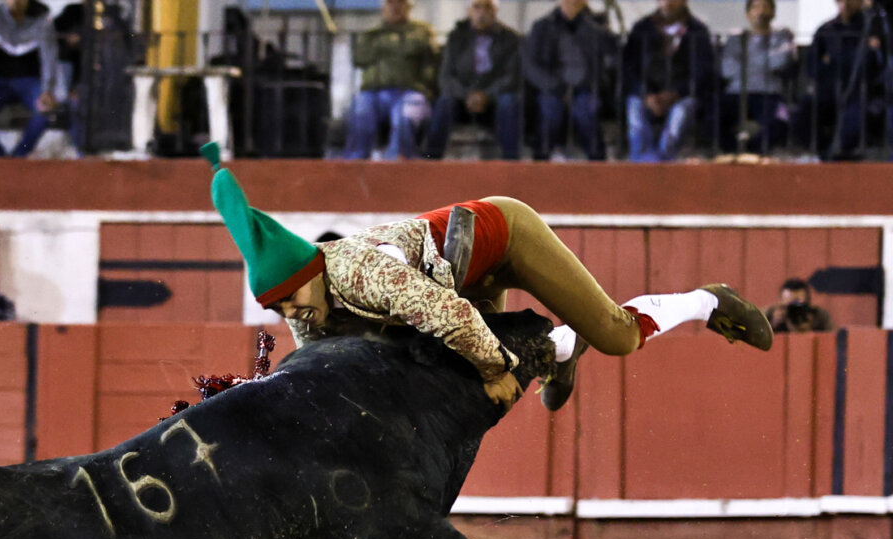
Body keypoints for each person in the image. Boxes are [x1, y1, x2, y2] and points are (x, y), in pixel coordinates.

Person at [200, 141, 773, 413]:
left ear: (310, 273)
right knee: (480, 377)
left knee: (616, 337)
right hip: (456, 269)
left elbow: (449, 314)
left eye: (291, 298)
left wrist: (495, 368)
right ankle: (562, 347)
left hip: (503, 235)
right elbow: (319, 369)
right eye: (278, 308)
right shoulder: (313, 308)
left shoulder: (361, 274)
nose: (290, 313)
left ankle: (707, 300)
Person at [424, 0, 523, 161]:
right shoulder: (456, 37)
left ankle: (511, 164)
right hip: (462, 100)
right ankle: (431, 160)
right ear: (469, 11)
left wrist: (486, 95)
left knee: (510, 102)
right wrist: (467, 95)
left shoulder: (510, 38)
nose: (482, 12)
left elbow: (511, 77)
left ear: (495, 11)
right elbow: (446, 77)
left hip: (494, 101)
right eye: (477, 7)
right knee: (444, 102)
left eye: (488, 7)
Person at [523, 0, 618, 161]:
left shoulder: (597, 27)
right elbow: (530, 65)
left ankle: (598, 165)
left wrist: (594, 25)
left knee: (586, 111)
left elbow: (610, 58)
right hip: (552, 86)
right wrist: (555, 86)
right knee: (550, 112)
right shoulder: (542, 26)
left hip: (586, 87)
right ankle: (540, 163)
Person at [342, 0, 438, 160]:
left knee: (404, 117)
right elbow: (359, 59)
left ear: (408, 7)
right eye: (390, 3)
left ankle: (396, 161)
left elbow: (431, 59)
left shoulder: (422, 31)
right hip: (373, 92)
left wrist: (387, 48)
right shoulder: (372, 34)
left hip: (410, 91)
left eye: (400, 2)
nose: (395, 7)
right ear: (383, 7)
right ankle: (355, 161)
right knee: (360, 110)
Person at [622, 0, 715, 162]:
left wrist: (676, 94)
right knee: (635, 110)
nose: (667, 3)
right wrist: (646, 94)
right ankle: (642, 163)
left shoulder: (697, 30)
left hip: (682, 96)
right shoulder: (642, 28)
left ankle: (664, 162)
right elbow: (629, 69)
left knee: (680, 115)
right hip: (646, 95)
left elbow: (703, 73)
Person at [0, 0, 59, 158]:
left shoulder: (42, 21)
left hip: (30, 82)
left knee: (45, 111)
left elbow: (49, 59)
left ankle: (19, 156)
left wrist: (47, 90)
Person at [799, 0, 887, 161]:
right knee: (805, 110)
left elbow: (877, 64)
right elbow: (813, 65)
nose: (845, 3)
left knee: (854, 120)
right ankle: (823, 154)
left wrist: (833, 60)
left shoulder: (873, 28)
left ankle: (833, 158)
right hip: (830, 90)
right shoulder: (827, 29)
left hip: (863, 93)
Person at [718, 0, 797, 155]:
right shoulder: (736, 38)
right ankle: (734, 152)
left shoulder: (783, 36)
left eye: (765, 7)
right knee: (712, 118)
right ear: (747, 14)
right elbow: (727, 69)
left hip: (770, 93)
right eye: (756, 7)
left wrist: (746, 62)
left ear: (773, 13)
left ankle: (754, 154)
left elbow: (780, 62)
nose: (761, 12)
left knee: (780, 121)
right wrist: (765, 62)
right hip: (736, 93)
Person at [765, 278, 835, 332]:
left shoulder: (819, 316)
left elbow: (830, 339)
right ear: (780, 302)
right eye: (789, 306)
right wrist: (772, 325)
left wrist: (809, 328)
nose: (794, 310)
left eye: (798, 305)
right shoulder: (769, 315)